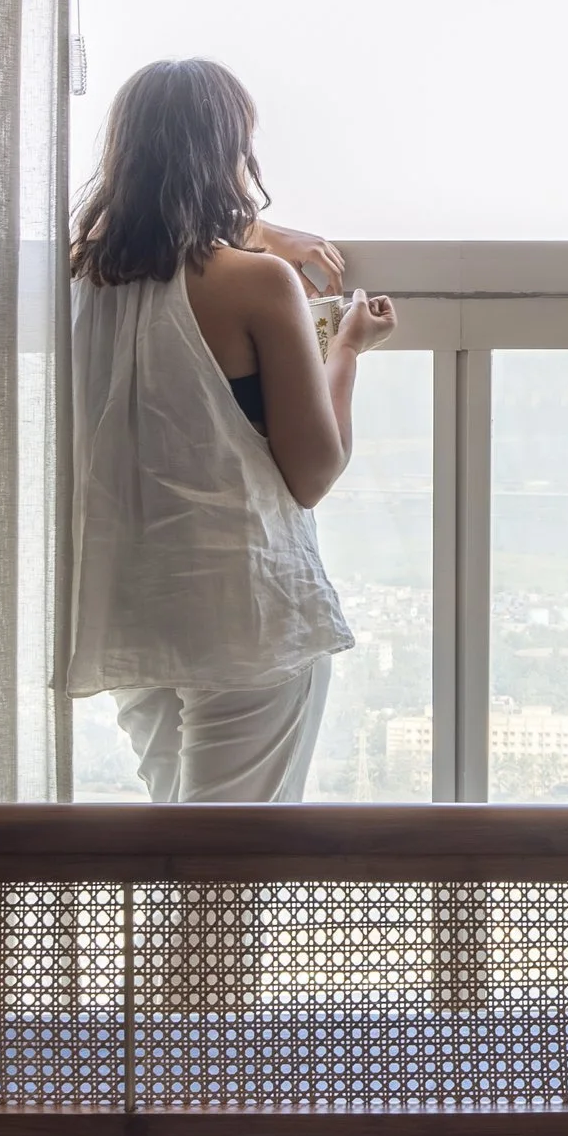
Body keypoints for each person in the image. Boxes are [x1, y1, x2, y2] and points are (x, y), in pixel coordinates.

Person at [64, 58, 396, 802]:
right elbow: (313, 472)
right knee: (230, 867)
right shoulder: (258, 283)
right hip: (244, 612)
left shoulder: (80, 277)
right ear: (228, 153)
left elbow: (162, 234)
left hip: (134, 606)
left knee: (178, 844)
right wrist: (347, 348)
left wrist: (269, 232)